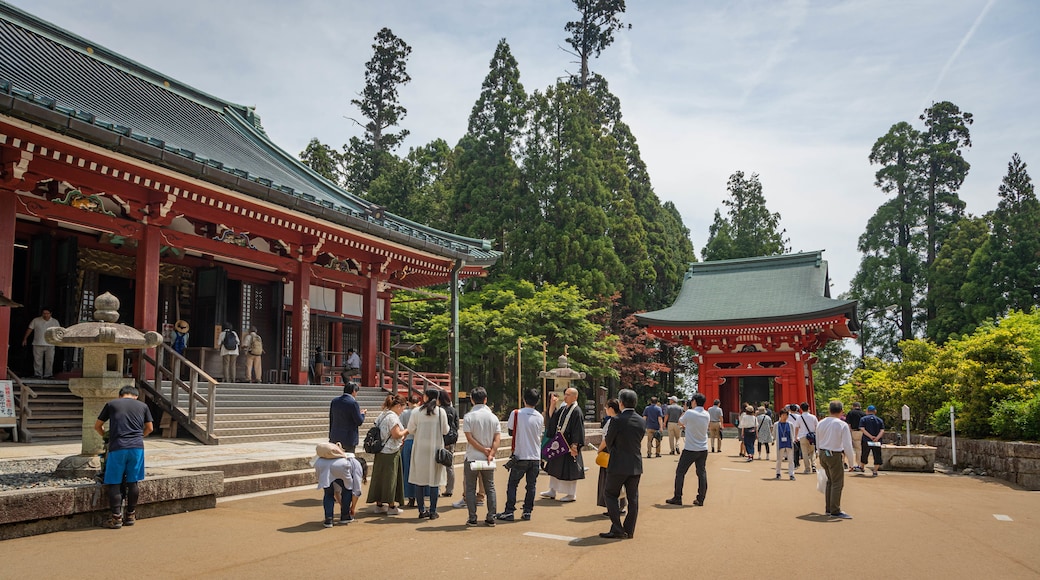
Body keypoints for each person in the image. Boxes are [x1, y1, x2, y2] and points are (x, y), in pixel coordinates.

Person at [94, 385, 154, 529]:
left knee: (114, 482)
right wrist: (139, 437)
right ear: (136, 396)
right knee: (133, 482)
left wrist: (108, 437)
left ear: (120, 395)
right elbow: (150, 428)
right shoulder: (143, 406)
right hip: (137, 448)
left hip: (118, 447)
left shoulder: (111, 404)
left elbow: (97, 426)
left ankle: (116, 519)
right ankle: (131, 516)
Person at [600, 388, 645, 540]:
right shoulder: (641, 420)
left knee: (610, 494)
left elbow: (609, 441)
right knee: (633, 498)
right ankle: (629, 529)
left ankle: (617, 528)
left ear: (621, 403)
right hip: (635, 464)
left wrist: (614, 451)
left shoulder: (617, 420)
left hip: (618, 463)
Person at [496, 388, 543, 522]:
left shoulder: (516, 413)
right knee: (531, 486)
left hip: (520, 455)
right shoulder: (540, 416)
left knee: (513, 484)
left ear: (524, 399)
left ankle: (509, 511)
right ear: (537, 401)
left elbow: (511, 431)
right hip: (535, 456)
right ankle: (527, 511)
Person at [407, 387, 449, 520]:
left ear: (425, 397)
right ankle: (433, 511)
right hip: (435, 449)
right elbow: (445, 431)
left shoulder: (416, 412)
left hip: (420, 448)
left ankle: (421, 510)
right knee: (434, 481)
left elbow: (410, 429)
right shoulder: (441, 412)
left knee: (420, 480)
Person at [461, 387, 500, 527]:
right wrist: (491, 452)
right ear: (486, 399)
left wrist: (482, 449)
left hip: (472, 456)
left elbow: (469, 438)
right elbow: (497, 438)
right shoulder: (493, 417)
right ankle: (491, 517)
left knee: (470, 488)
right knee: (490, 487)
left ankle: (472, 517)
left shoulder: (469, 417)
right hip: (488, 458)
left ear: (472, 399)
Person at [539, 387, 585, 502]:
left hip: (569, 445)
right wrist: (552, 405)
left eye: (568, 395)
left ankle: (571, 494)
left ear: (575, 397)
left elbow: (578, 430)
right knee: (555, 466)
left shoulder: (576, 411)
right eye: (565, 394)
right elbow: (553, 419)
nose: (565, 397)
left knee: (569, 469)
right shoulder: (564, 408)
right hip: (560, 443)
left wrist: (575, 446)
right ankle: (552, 490)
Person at [366, 395, 408, 515]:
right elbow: (396, 434)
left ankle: (379, 504)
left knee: (379, 477)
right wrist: (407, 431)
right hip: (390, 451)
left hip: (380, 449)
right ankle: (391, 506)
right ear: (398, 406)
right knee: (391, 478)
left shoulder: (382, 415)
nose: (402, 411)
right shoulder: (393, 418)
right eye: (402, 407)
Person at [667, 392, 710, 507]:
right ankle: (700, 498)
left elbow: (680, 421)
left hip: (691, 448)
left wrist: (685, 409)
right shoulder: (707, 414)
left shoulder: (690, 413)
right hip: (703, 448)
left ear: (694, 401)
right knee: (701, 473)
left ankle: (678, 497)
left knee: (680, 472)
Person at [815, 401, 855, 519]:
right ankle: (835, 510)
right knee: (837, 482)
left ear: (829, 410)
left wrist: (818, 453)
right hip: (834, 453)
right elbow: (847, 445)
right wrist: (852, 463)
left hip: (823, 452)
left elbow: (817, 440)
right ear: (842, 411)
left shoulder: (821, 423)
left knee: (830, 481)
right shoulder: (842, 425)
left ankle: (829, 508)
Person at [313, 442, 365, 527]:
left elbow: (336, 492)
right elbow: (356, 489)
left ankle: (328, 519)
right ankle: (345, 516)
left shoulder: (323, 458)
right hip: (341, 466)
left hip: (321, 465)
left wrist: (343, 505)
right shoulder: (355, 463)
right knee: (347, 490)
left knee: (328, 493)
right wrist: (351, 508)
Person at [596, 398, 627, 517]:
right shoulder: (622, 420)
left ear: (611, 409)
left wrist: (599, 449)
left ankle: (613, 507)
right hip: (620, 454)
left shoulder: (612, 421)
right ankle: (620, 506)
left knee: (609, 482)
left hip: (609, 453)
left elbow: (606, 439)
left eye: (606, 407)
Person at [22, 308, 60, 378]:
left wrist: (59, 341)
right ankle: (38, 374)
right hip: (37, 343)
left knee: (49, 360)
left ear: (50, 314)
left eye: (47, 313)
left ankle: (48, 375)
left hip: (50, 344)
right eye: (44, 313)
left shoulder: (55, 322)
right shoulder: (36, 320)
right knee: (37, 360)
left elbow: (58, 332)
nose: (45, 315)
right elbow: (30, 329)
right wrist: (25, 338)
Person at [329, 382, 366, 453]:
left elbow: (331, 419)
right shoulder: (353, 403)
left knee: (335, 459)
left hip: (335, 436)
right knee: (348, 460)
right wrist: (362, 414)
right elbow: (359, 421)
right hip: (348, 438)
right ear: (354, 391)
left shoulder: (335, 401)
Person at [400, 394, 421, 508]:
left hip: (408, 442)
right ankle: (421, 497)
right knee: (419, 470)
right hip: (419, 442)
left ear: (408, 402)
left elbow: (402, 428)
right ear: (419, 402)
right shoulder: (421, 412)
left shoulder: (404, 413)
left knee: (408, 470)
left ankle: (410, 497)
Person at [438, 389, 459, 498]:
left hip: (441, 439)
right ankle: (449, 489)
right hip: (451, 440)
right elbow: (457, 426)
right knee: (450, 465)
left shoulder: (439, 410)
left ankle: (436, 489)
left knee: (437, 465)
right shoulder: (453, 410)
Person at [859, 405, 886, 477]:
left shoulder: (863, 419)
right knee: (877, 455)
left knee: (864, 453)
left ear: (867, 411)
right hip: (877, 441)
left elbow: (862, 429)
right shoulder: (880, 420)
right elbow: (882, 430)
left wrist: (870, 437)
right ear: (875, 411)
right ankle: (875, 471)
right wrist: (877, 438)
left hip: (866, 440)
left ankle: (862, 467)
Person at [795, 402, 819, 474]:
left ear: (801, 409)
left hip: (802, 436)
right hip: (812, 437)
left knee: (805, 453)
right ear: (808, 408)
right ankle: (814, 465)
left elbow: (797, 428)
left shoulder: (799, 417)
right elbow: (817, 427)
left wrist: (796, 437)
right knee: (812, 451)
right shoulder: (813, 417)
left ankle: (807, 468)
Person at [773, 408, 796, 480]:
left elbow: (793, 433)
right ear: (780, 415)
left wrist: (793, 441)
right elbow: (774, 434)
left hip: (789, 443)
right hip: (780, 444)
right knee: (779, 459)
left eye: (786, 415)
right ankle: (778, 473)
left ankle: (791, 474)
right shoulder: (776, 424)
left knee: (791, 460)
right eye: (783, 415)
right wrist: (773, 440)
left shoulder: (790, 424)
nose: (785, 417)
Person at [845, 402, 866, 472]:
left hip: (854, 432)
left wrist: (849, 432)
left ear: (853, 406)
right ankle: (860, 464)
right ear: (860, 406)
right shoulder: (863, 414)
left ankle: (856, 464)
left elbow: (848, 424)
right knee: (860, 449)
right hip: (863, 432)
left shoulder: (850, 413)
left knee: (854, 449)